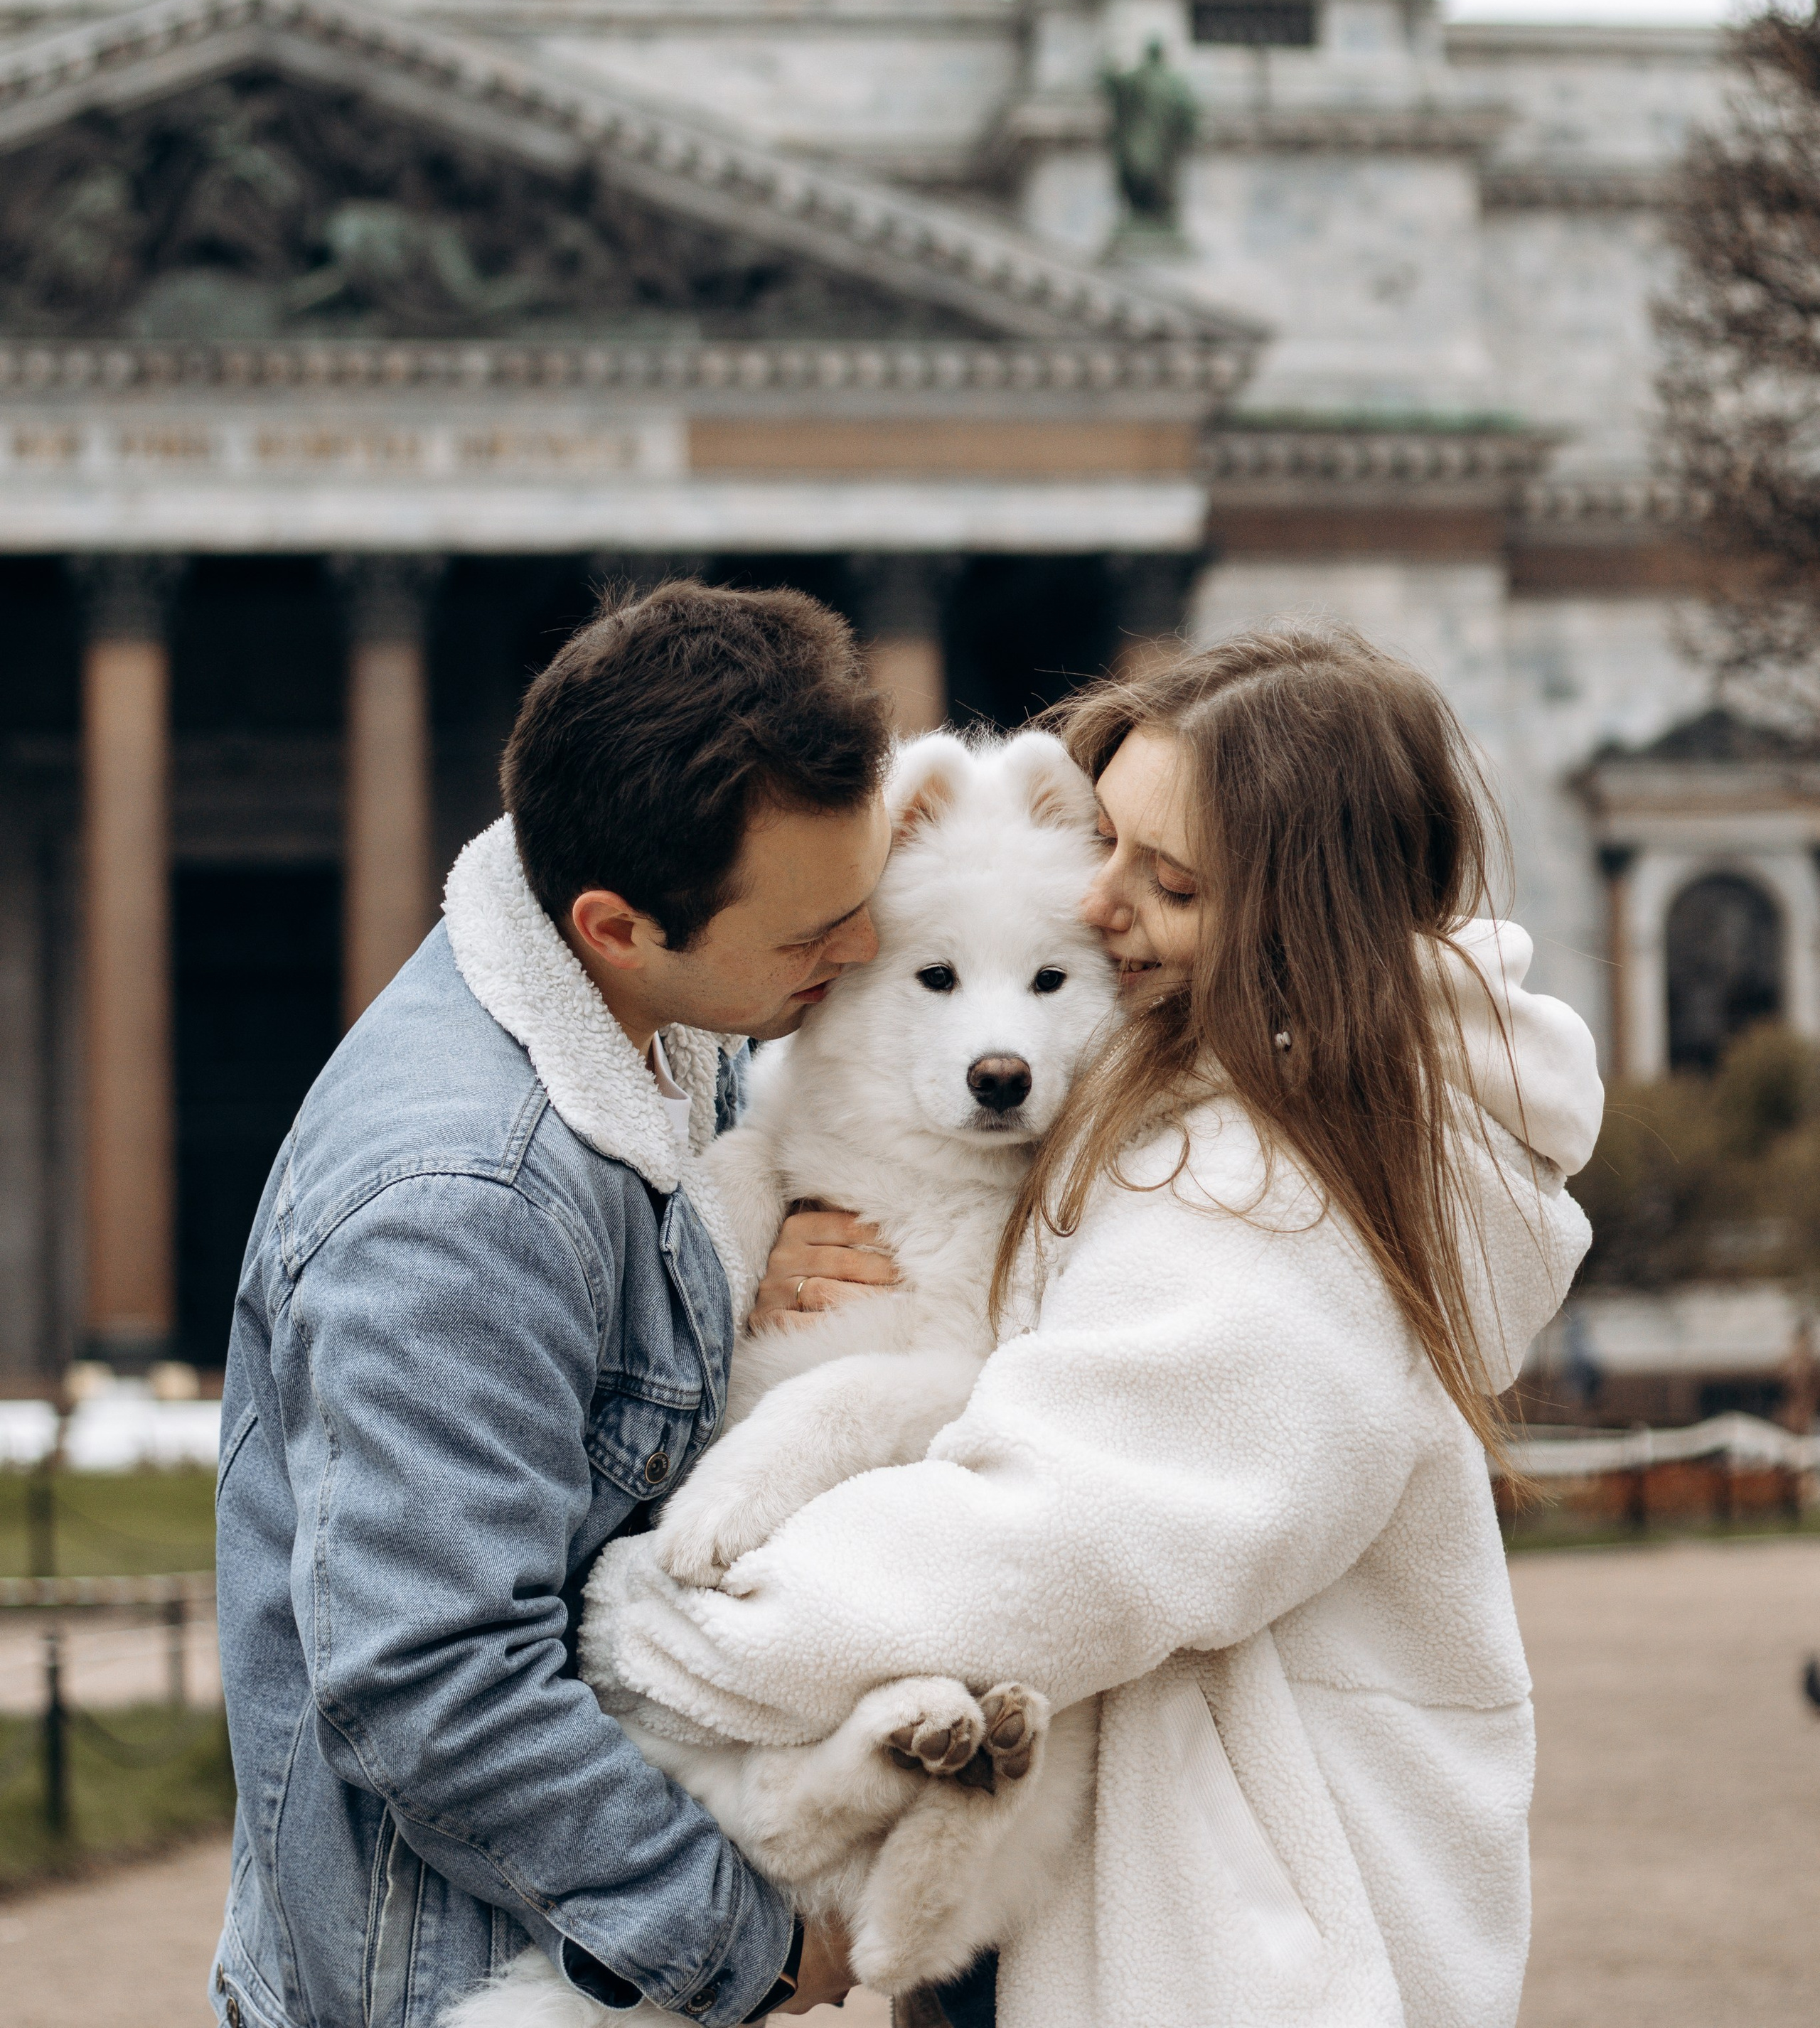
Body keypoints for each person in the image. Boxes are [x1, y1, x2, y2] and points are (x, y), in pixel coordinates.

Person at [592, 627, 1605, 2028]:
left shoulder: (1258, 1193)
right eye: (1105, 842)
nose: (1094, 898)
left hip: (1233, 1945)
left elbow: (1071, 1531)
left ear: (1291, 911)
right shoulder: (1207, 1116)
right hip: (1168, 1894)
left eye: (1165, 881)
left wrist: (678, 1643)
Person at [210, 581, 904, 2028]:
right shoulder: (458, 1204)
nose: (856, 957)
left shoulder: (651, 1017)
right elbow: (431, 1681)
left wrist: (731, 1262)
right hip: (455, 1989)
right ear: (615, 925)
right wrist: (748, 1937)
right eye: (808, 936)